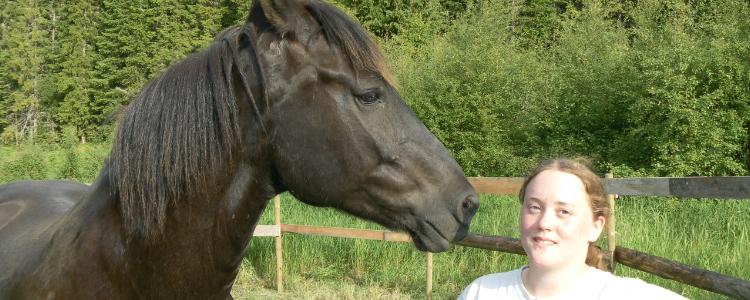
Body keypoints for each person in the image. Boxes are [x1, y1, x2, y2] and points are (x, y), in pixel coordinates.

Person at [458, 158, 687, 300]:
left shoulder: (626, 295)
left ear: (595, 227)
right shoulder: (481, 292)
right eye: (535, 207)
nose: (544, 223)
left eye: (563, 212)